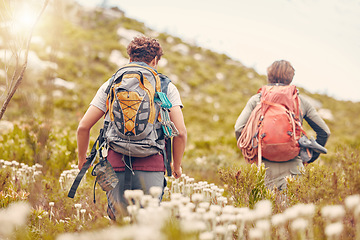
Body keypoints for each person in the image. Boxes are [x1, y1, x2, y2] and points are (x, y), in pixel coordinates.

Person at [77, 36, 187, 219]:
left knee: (118, 223)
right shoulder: (166, 86)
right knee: (146, 226)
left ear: (130, 59)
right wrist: (176, 165)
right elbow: (181, 133)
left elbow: (83, 127)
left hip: (115, 164)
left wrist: (82, 160)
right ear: (155, 61)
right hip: (152, 165)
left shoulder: (112, 83)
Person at [234, 60, 330, 190]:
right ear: (290, 78)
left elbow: (239, 128)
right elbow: (324, 132)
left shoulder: (257, 99)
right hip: (294, 168)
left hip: (264, 167)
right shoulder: (300, 101)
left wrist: (253, 154)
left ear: (269, 76)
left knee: (265, 208)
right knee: (292, 208)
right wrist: (309, 157)